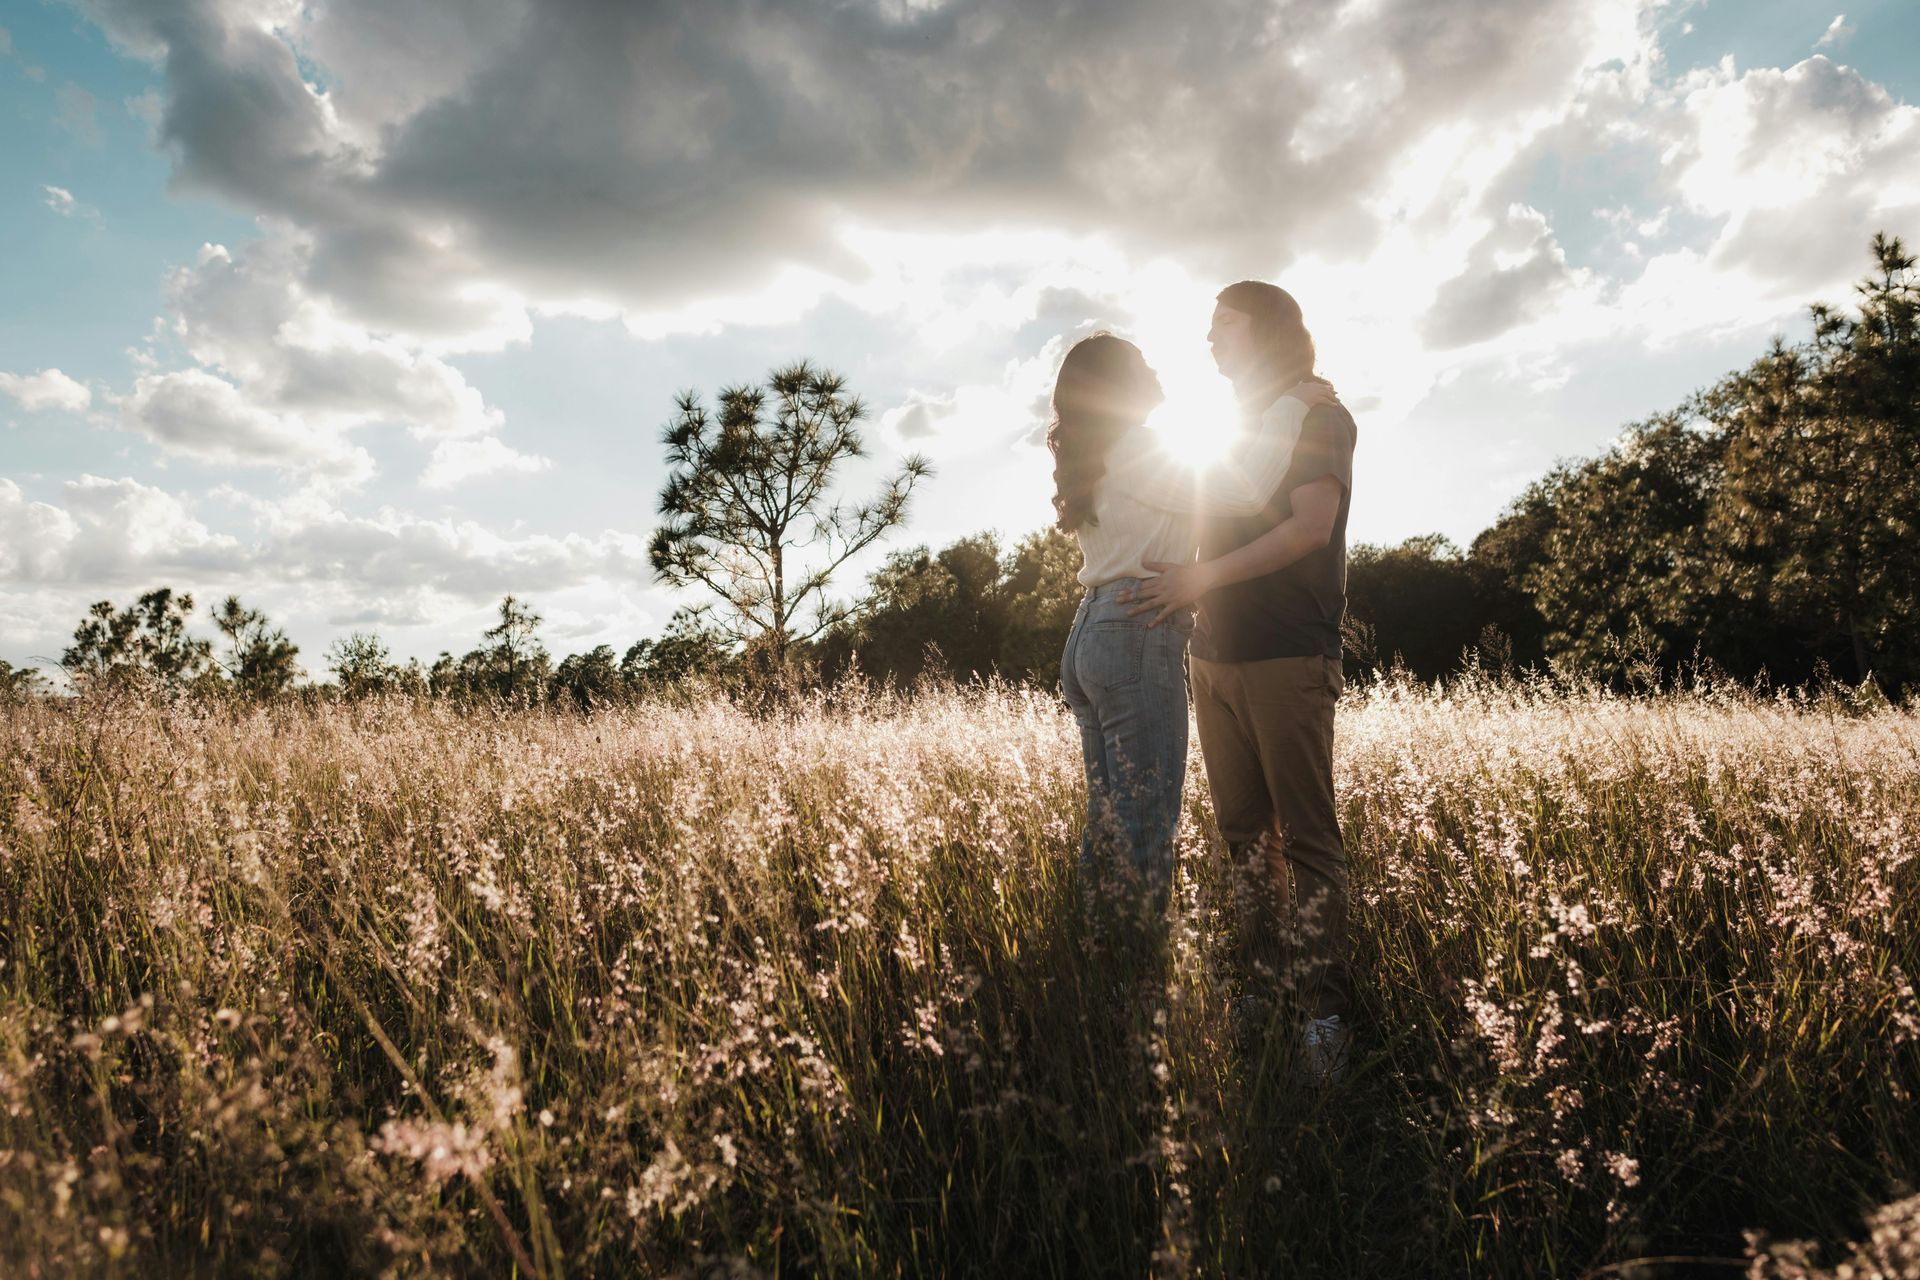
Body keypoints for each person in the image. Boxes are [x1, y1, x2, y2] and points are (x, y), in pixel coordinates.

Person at [1118, 282, 1358, 1083]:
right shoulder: (1234, 429)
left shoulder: (1321, 417)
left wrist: (1199, 577)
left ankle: (1322, 1015)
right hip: (1212, 653)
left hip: (1287, 651)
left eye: (1223, 324)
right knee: (1243, 838)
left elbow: (1309, 528)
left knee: (1310, 840)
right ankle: (1262, 993)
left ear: (1267, 331)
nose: (1210, 339)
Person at [1047, 332, 1336, 929]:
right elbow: (1244, 488)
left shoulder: (1104, 451)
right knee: (1145, 817)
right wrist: (1292, 405)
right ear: (1118, 385)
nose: (1155, 368)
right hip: (1135, 630)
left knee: (1108, 816)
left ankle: (1094, 958)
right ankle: (1133, 976)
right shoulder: (1137, 448)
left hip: (1092, 632)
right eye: (1141, 362)